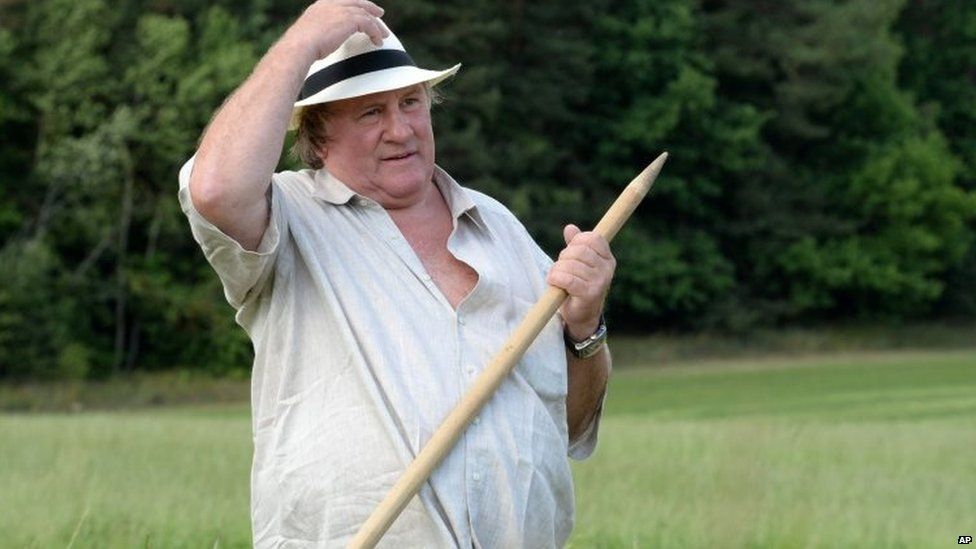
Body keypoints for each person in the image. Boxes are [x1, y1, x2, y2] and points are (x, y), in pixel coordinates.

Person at [178, 1, 615, 546]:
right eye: (369, 113)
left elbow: (567, 426)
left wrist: (584, 328)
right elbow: (215, 188)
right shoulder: (286, 218)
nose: (400, 129)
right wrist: (299, 44)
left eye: (411, 102)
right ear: (318, 136)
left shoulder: (499, 227)